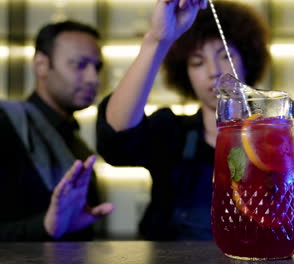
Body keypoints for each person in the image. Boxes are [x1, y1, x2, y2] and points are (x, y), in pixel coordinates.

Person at [96, 0, 270, 240]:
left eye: (225, 55)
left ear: (247, 59)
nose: (214, 71)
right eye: (197, 62)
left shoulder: (271, 139)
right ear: (185, 75)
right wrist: (158, 40)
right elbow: (116, 139)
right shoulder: (171, 131)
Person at [0, 20, 113, 242]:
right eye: (79, 64)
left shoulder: (73, 141)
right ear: (41, 65)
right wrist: (44, 227)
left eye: (97, 67)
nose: (93, 79)